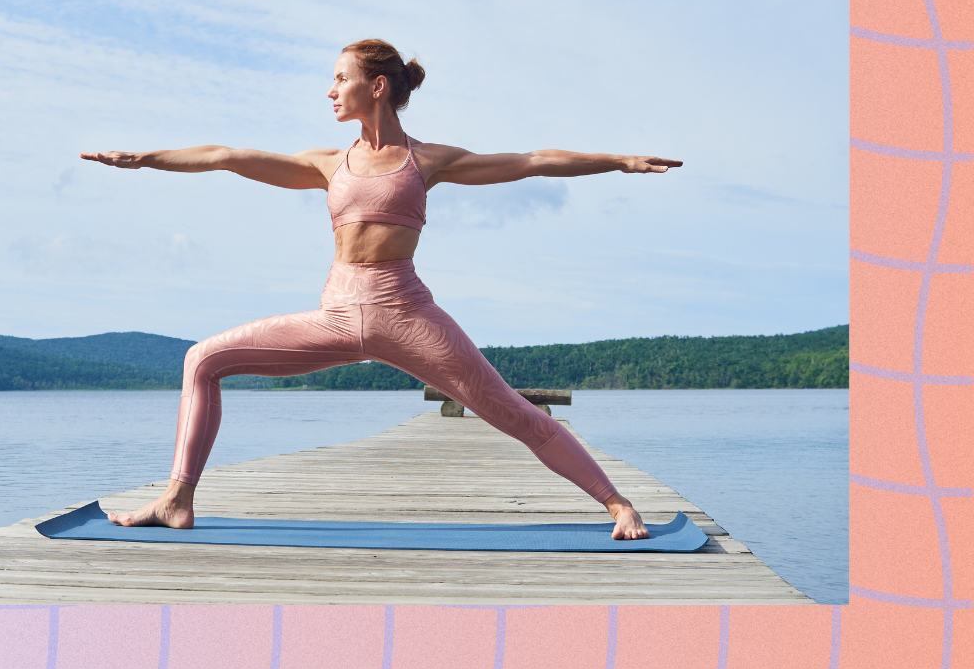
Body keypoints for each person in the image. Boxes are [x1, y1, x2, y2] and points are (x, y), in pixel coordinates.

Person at [80, 39, 682, 539]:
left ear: (376, 86)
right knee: (202, 359)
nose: (329, 89)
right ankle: (176, 500)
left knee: (514, 414)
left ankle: (617, 504)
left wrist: (619, 161)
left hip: (408, 315)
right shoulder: (325, 163)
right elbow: (226, 155)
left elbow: (530, 161)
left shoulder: (428, 160)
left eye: (339, 78)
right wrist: (145, 158)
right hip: (336, 315)